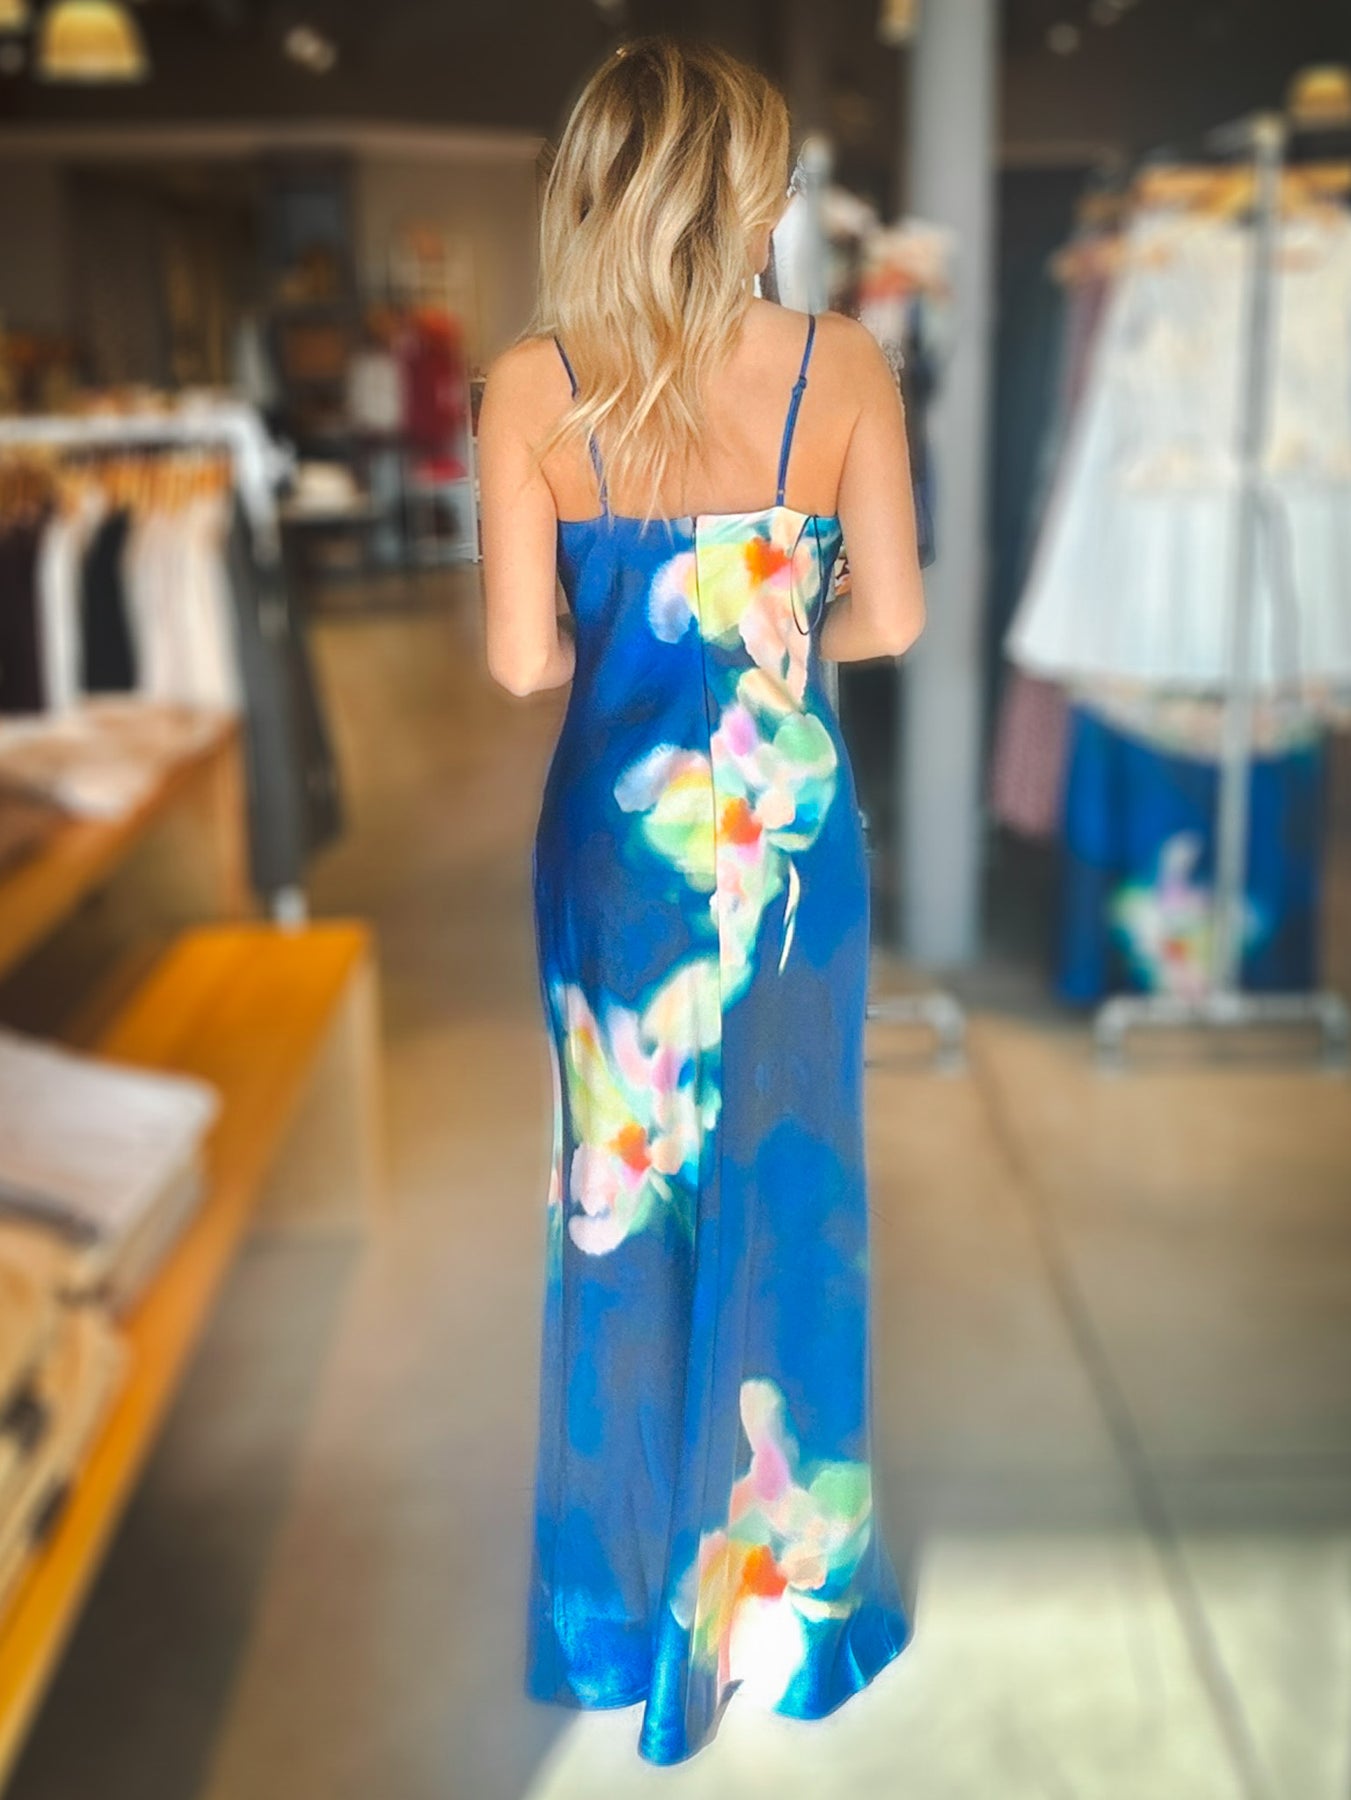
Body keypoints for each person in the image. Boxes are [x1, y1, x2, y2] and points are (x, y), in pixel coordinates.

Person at [477, 34, 926, 1769]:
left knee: (619, 1209)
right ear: (748, 193)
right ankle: (784, 1616)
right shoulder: (840, 363)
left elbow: (524, 663)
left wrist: (629, 616)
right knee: (794, 1197)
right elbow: (891, 617)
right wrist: (769, 618)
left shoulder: (533, 386)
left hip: (621, 859)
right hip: (790, 862)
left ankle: (619, 1616)